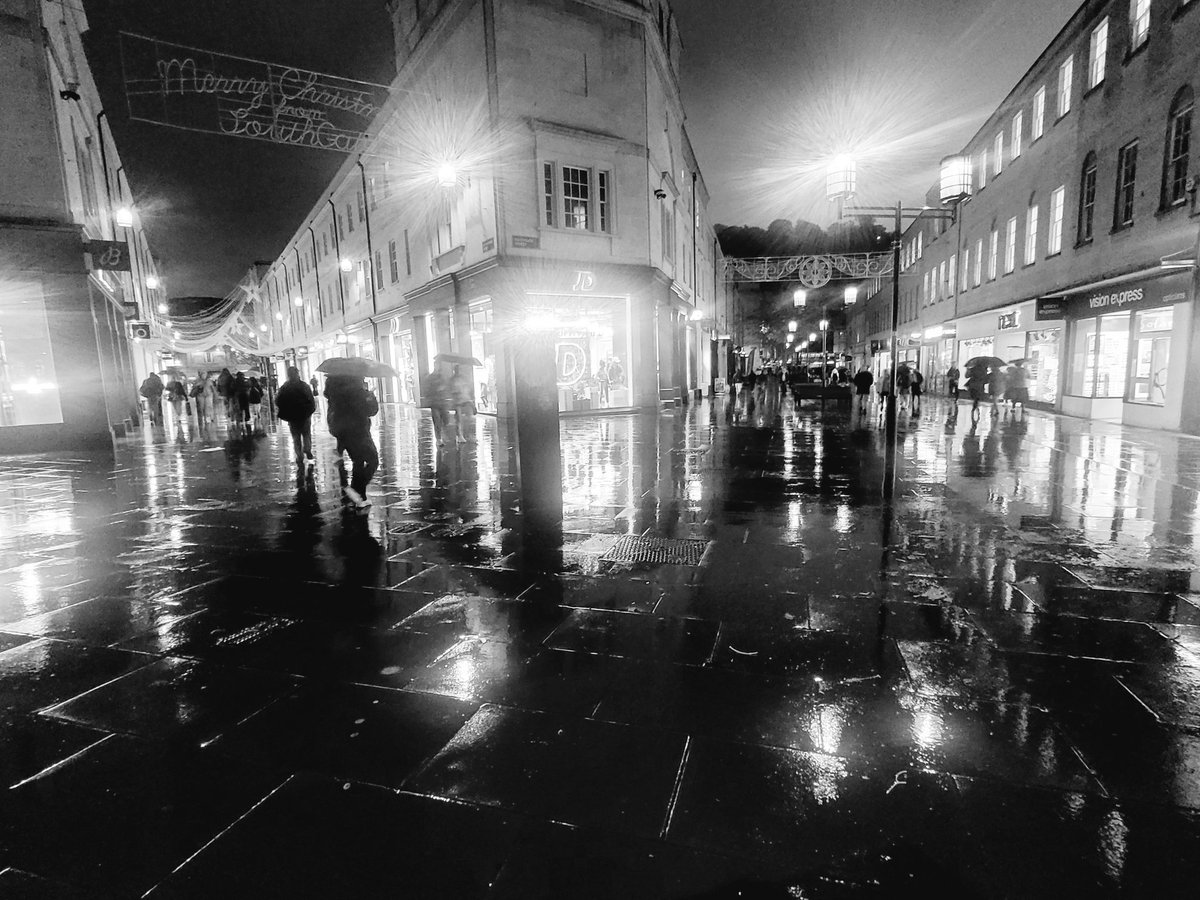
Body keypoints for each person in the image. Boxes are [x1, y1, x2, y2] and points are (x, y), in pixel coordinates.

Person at [325, 374, 379, 508]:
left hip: (341, 431)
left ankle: (361, 497)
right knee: (373, 460)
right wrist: (371, 397)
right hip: (358, 431)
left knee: (358, 461)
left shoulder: (335, 391)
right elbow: (371, 411)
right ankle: (357, 489)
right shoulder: (358, 392)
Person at [276, 366, 316, 468]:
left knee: (296, 437)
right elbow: (311, 399)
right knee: (306, 433)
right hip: (304, 415)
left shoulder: (285, 387)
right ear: (298, 373)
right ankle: (307, 449)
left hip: (292, 416)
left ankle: (299, 456)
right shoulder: (304, 386)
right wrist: (310, 410)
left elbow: (278, 401)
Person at [427, 364, 454, 446]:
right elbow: (427, 389)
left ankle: (441, 433)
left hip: (443, 402)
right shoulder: (430, 378)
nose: (439, 369)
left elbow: (447, 387)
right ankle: (438, 439)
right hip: (435, 403)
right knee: (437, 421)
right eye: (438, 367)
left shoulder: (442, 378)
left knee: (446, 420)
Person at [449, 365, 474, 443]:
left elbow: (467, 388)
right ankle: (459, 435)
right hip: (457, 401)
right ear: (455, 370)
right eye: (457, 369)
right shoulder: (452, 379)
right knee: (459, 418)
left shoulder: (463, 378)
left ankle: (467, 434)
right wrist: (456, 391)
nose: (459, 371)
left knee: (468, 417)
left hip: (465, 399)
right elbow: (451, 389)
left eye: (460, 369)